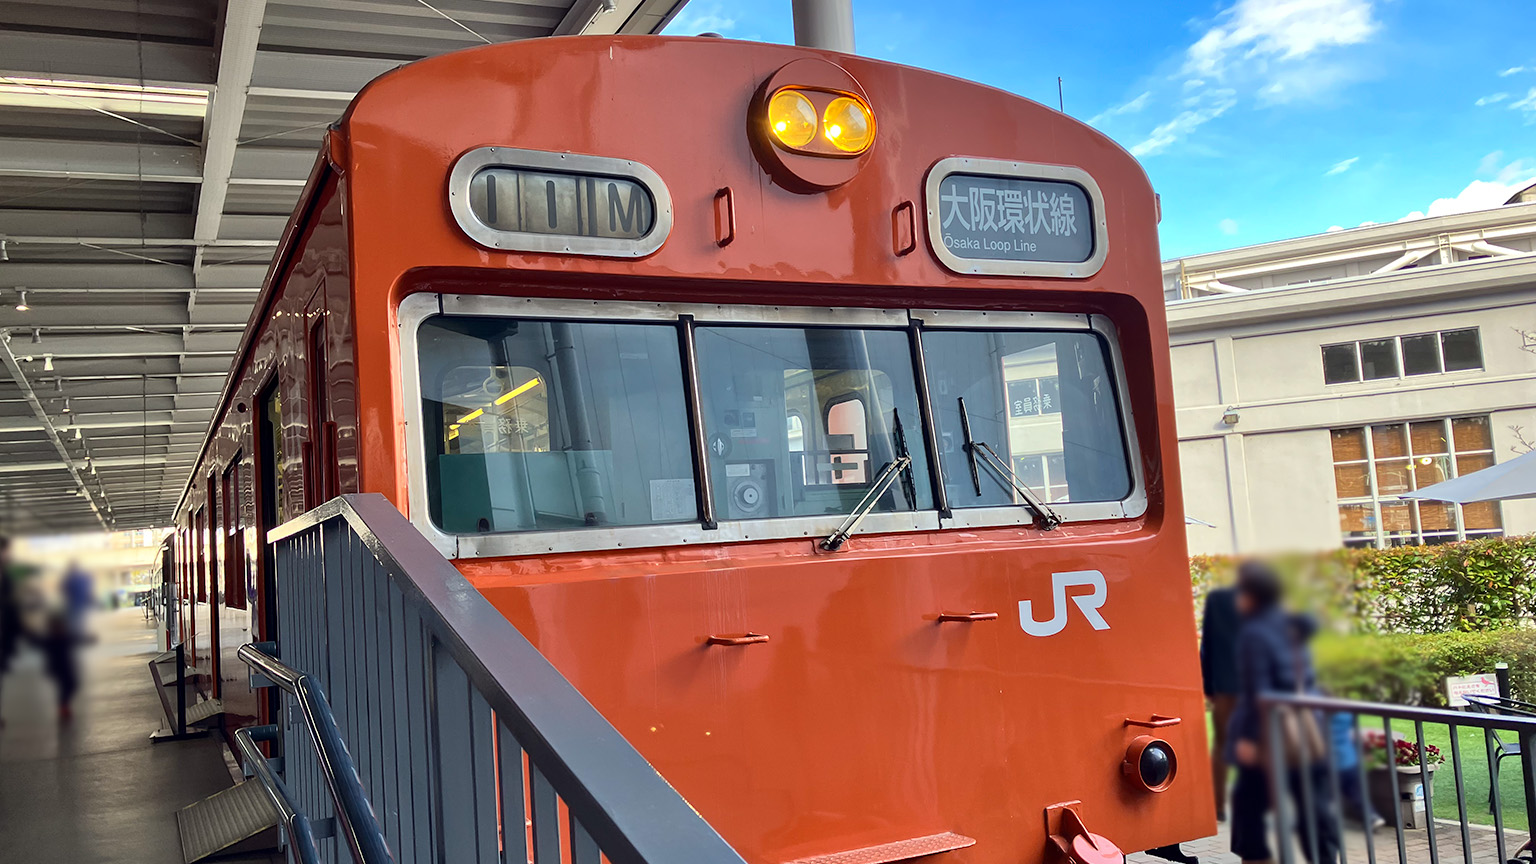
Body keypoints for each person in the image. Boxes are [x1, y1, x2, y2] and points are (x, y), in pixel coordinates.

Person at [1228, 560, 1342, 864]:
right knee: (1313, 806)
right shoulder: (1293, 625)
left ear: (1252, 595)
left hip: (1272, 733)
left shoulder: (1254, 633)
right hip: (1308, 728)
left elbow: (1258, 691)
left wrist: (1249, 739)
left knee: (1247, 805)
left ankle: (1257, 858)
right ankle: (1326, 858)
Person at [1201, 584, 1242, 821]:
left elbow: (1207, 645)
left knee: (1222, 746)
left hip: (1225, 686)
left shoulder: (1218, 599)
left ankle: (1218, 806)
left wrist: (1209, 686)